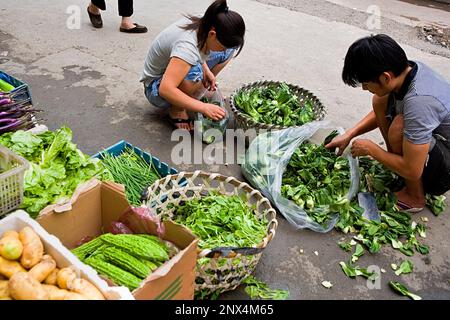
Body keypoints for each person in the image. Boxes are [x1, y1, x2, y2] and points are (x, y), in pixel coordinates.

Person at [326, 34, 450, 213]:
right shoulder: (406, 69)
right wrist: (350, 134)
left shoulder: (420, 102)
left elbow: (413, 170)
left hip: (445, 169)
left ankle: (415, 196)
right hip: (433, 142)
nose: (364, 88)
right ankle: (398, 165)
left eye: (366, 83)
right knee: (380, 100)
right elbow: (381, 111)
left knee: (398, 129)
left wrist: (373, 150)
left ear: (385, 77)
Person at [140, 0, 245, 130]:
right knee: (194, 72)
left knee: (229, 50)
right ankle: (177, 109)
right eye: (221, 46)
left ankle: (194, 92)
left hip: (175, 65)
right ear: (212, 34)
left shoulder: (210, 21)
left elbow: (200, 49)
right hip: (155, 88)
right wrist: (204, 108)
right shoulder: (186, 48)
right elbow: (165, 89)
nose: (222, 49)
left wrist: (206, 70)